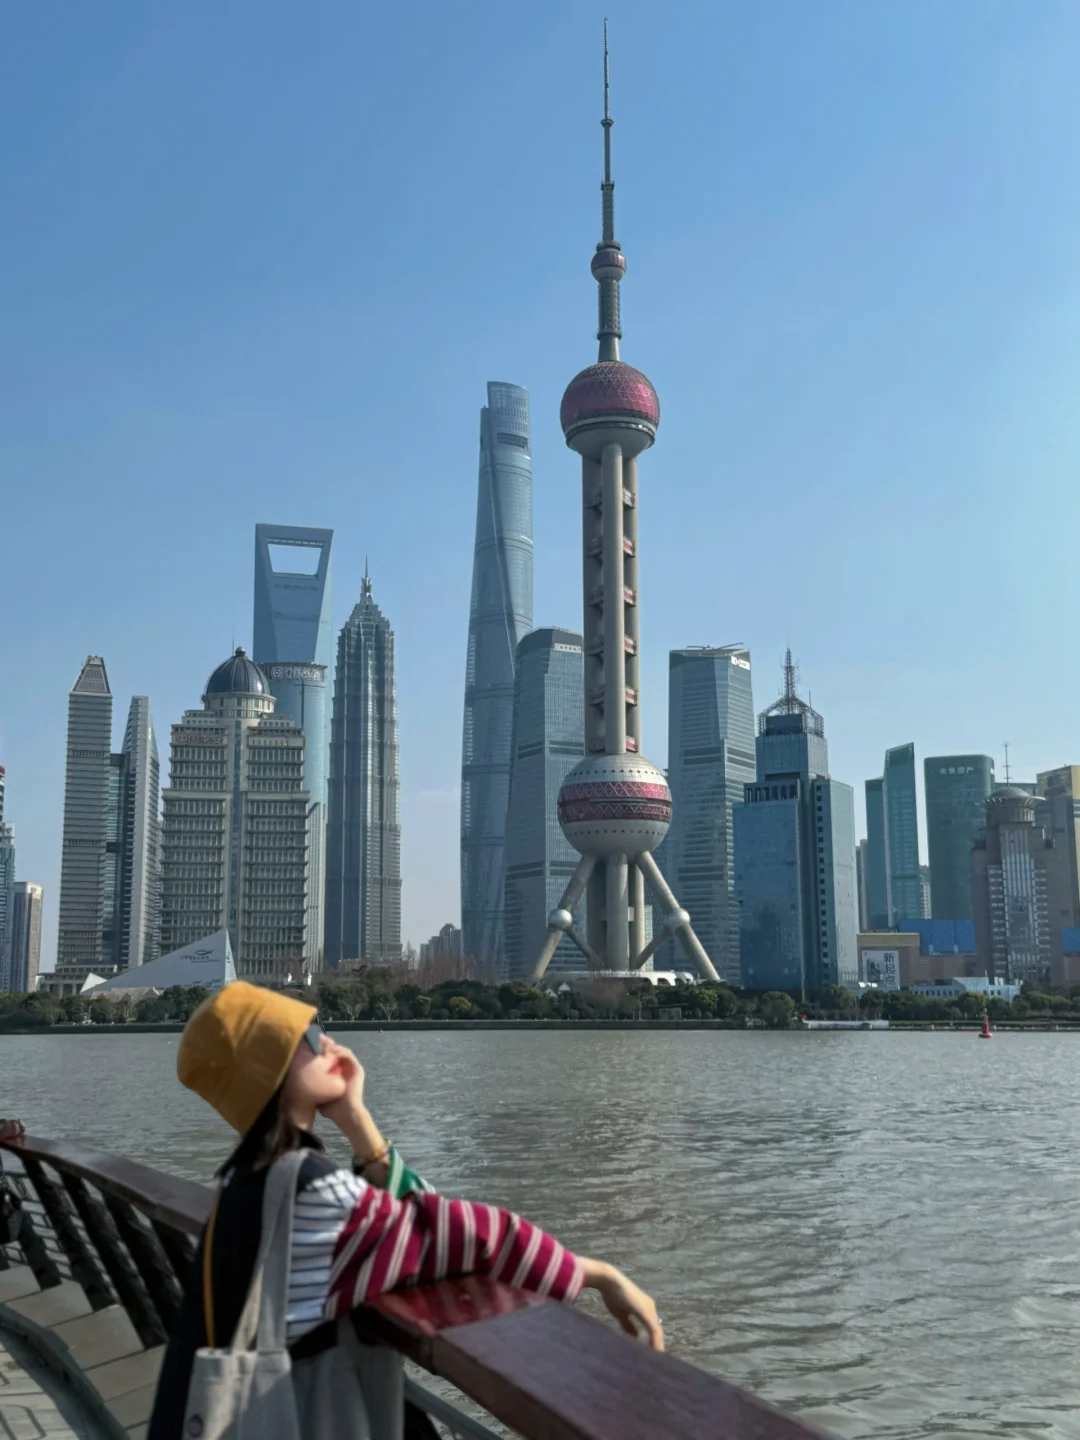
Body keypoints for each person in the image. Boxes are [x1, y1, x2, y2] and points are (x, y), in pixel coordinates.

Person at [148, 983, 661, 1440]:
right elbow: (458, 1233)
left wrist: (356, 1118)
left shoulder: (247, 1184)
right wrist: (600, 1275)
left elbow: (412, 1218)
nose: (330, 1044)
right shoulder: (313, 1193)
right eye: (310, 1036)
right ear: (271, 1067)